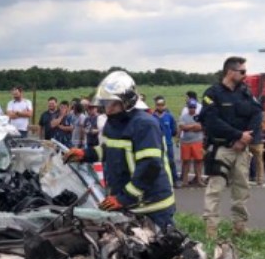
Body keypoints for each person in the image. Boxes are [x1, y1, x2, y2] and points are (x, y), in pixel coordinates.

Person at [63, 71, 175, 229]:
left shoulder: (144, 124)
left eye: (113, 103)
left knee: (157, 250)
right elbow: (108, 151)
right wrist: (85, 154)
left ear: (127, 102)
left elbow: (150, 167)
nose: (108, 109)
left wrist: (123, 198)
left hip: (152, 207)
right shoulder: (113, 123)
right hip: (129, 204)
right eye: (106, 103)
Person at [201, 56, 263, 238]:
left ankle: (239, 225)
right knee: (215, 189)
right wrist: (237, 135)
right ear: (230, 72)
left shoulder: (245, 92)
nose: (245, 75)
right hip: (221, 148)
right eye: (242, 71)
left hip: (241, 149)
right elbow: (211, 122)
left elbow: (257, 113)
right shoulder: (212, 93)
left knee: (242, 189)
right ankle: (211, 229)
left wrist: (246, 138)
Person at [179, 92, 206, 186]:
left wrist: (189, 127)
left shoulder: (199, 116)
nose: (192, 109)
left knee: (198, 161)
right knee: (186, 161)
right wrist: (194, 126)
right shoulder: (183, 116)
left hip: (197, 141)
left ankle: (199, 179)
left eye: (194, 107)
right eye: (190, 107)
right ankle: (185, 180)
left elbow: (202, 127)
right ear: (188, 107)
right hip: (186, 142)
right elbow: (183, 127)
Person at [152, 96, 179, 185]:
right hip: (156, 143)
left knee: (171, 161)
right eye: (158, 105)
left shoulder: (169, 116)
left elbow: (174, 130)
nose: (160, 107)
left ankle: (175, 180)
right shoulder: (152, 117)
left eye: (162, 105)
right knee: (157, 162)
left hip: (168, 143)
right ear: (156, 106)